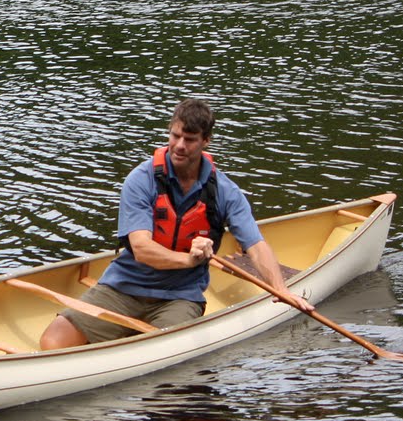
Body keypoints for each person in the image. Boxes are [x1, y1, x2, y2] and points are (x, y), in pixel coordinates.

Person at [39, 97, 313, 351]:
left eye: (190, 139)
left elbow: (255, 245)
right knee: (53, 342)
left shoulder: (225, 191)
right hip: (123, 286)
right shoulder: (141, 180)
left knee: (154, 351)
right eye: (175, 136)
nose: (180, 145)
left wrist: (280, 289)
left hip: (179, 296)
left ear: (206, 141)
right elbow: (142, 249)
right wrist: (190, 260)